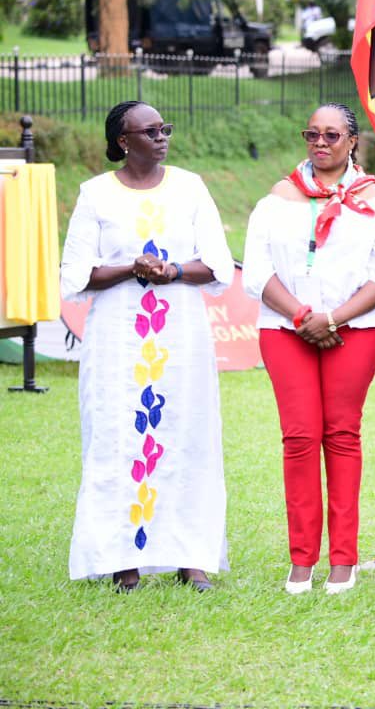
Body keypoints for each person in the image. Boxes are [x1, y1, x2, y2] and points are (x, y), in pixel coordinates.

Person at [61, 100, 233, 593]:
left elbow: (218, 265)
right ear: (122, 141)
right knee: (118, 438)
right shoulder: (95, 195)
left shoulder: (190, 187)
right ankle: (122, 560)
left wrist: (171, 270)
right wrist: (131, 268)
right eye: (150, 131)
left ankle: (191, 557)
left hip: (181, 333)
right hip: (117, 336)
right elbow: (76, 276)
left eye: (165, 129)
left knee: (187, 433)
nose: (162, 138)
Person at [242, 103, 375, 595]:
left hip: (354, 331)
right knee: (298, 437)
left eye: (332, 135)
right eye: (311, 133)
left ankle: (343, 558)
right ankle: (301, 558)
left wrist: (332, 318)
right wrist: (302, 318)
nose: (321, 142)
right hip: (285, 329)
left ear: (353, 141)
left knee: (340, 434)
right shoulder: (276, 200)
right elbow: (256, 272)